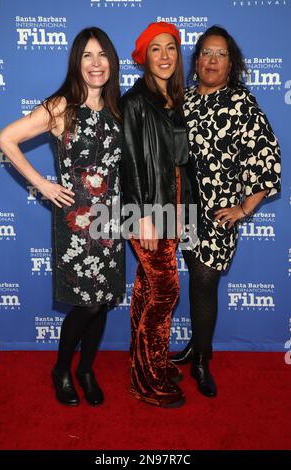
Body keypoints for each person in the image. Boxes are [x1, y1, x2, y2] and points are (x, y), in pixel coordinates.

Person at [0, 27, 125, 407]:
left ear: (112, 62)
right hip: (76, 221)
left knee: (102, 300)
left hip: (113, 218)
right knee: (85, 303)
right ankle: (62, 369)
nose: (96, 63)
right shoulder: (61, 106)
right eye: (87, 55)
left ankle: (87, 369)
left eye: (102, 55)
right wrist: (44, 184)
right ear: (76, 62)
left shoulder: (119, 107)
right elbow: (6, 138)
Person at [171, 25, 281, 397]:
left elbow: (267, 156)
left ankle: (202, 360)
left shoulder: (241, 103)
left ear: (230, 63)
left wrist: (244, 207)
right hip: (184, 209)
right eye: (205, 53)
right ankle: (196, 345)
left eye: (220, 54)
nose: (212, 60)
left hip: (218, 214)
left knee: (205, 282)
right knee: (194, 279)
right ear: (196, 60)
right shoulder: (182, 100)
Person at [121, 22, 192, 408]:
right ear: (144, 58)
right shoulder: (135, 102)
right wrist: (142, 216)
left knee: (147, 290)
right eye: (155, 49)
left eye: (171, 48)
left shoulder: (174, 100)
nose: (164, 56)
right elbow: (131, 163)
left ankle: (149, 362)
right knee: (166, 292)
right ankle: (147, 382)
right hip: (148, 211)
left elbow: (177, 164)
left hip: (174, 207)